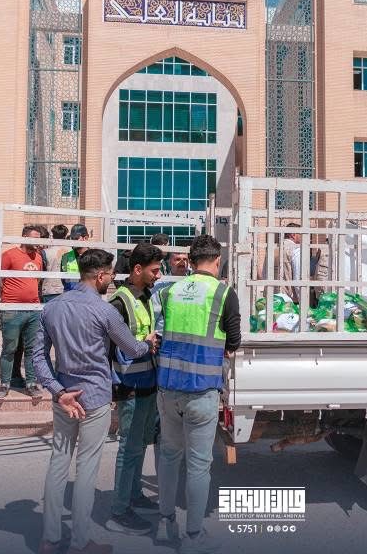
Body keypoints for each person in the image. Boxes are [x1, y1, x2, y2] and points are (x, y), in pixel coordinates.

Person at [32, 249, 158, 554]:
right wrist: (148, 343)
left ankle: (50, 539)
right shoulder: (104, 311)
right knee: (86, 468)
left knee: (58, 462)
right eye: (110, 275)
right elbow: (131, 348)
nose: (111, 281)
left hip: (65, 395)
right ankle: (80, 541)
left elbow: (38, 357)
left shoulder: (52, 308)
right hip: (95, 396)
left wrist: (58, 391)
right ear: (100, 275)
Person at [154, 235, 241, 553]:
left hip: (168, 388)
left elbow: (159, 332)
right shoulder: (223, 292)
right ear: (217, 261)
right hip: (202, 389)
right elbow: (234, 339)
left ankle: (165, 523)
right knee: (199, 465)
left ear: (190, 261)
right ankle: (193, 536)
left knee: (169, 456)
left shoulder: (169, 291)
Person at [105, 243, 163, 535]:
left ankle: (134, 494)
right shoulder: (119, 302)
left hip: (147, 381)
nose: (158, 275)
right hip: (129, 384)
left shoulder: (146, 295)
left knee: (140, 444)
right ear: (137, 269)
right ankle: (119, 510)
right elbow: (113, 347)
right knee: (128, 447)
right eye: (154, 270)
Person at [0, 225, 44, 401]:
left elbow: (37, 281)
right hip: (12, 309)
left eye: (39, 239)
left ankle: (31, 383)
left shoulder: (38, 257)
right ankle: (4, 384)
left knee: (32, 349)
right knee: (9, 348)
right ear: (23, 237)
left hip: (33, 310)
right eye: (34, 238)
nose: (37, 242)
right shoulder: (9, 255)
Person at [41, 224, 69, 303]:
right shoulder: (70, 251)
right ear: (65, 236)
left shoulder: (45, 252)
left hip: (48, 290)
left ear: (53, 236)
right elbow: (72, 275)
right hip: (64, 290)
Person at [62, 224, 90, 291]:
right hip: (71, 294)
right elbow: (64, 280)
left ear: (85, 238)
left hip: (88, 294)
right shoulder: (66, 257)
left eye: (76, 238)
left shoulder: (94, 257)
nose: (73, 241)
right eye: (72, 238)